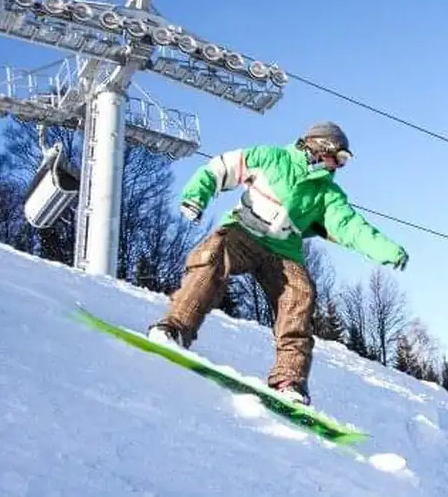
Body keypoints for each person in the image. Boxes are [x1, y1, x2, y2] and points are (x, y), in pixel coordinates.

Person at [147, 121, 409, 406]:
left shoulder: (327, 194)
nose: (339, 166)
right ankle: (174, 328)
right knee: (213, 255)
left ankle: (289, 380)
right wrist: (196, 195)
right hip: (243, 234)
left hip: (283, 252)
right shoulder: (271, 158)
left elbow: (349, 226)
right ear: (320, 146)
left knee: (300, 294)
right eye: (339, 157)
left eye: (344, 161)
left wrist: (386, 249)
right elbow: (221, 167)